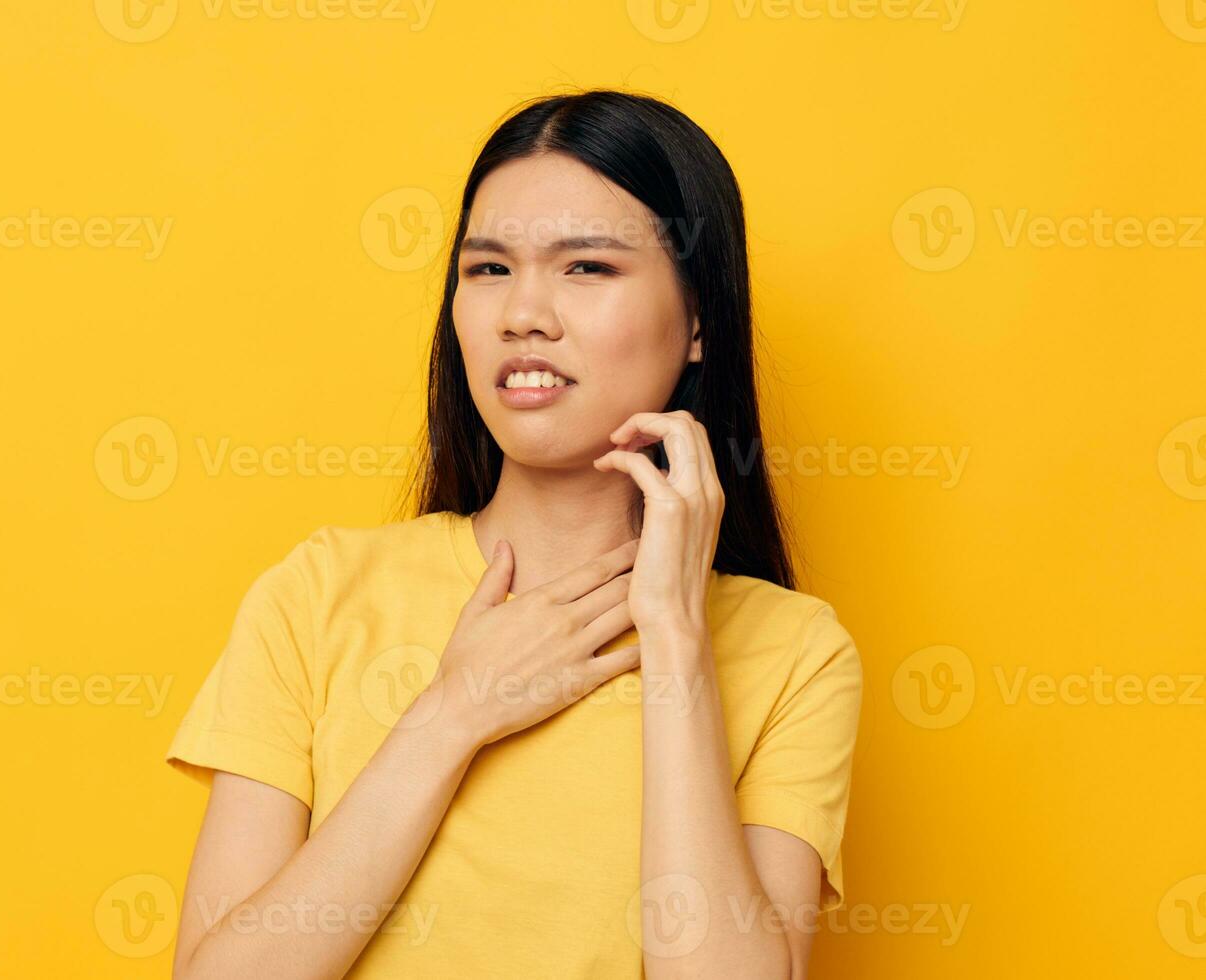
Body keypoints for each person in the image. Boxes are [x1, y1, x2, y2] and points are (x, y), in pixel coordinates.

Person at [165, 88, 863, 979]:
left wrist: (677, 636)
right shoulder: (318, 593)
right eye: (488, 269)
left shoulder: (794, 652)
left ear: (698, 322)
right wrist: (456, 712)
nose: (521, 314)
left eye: (588, 269)